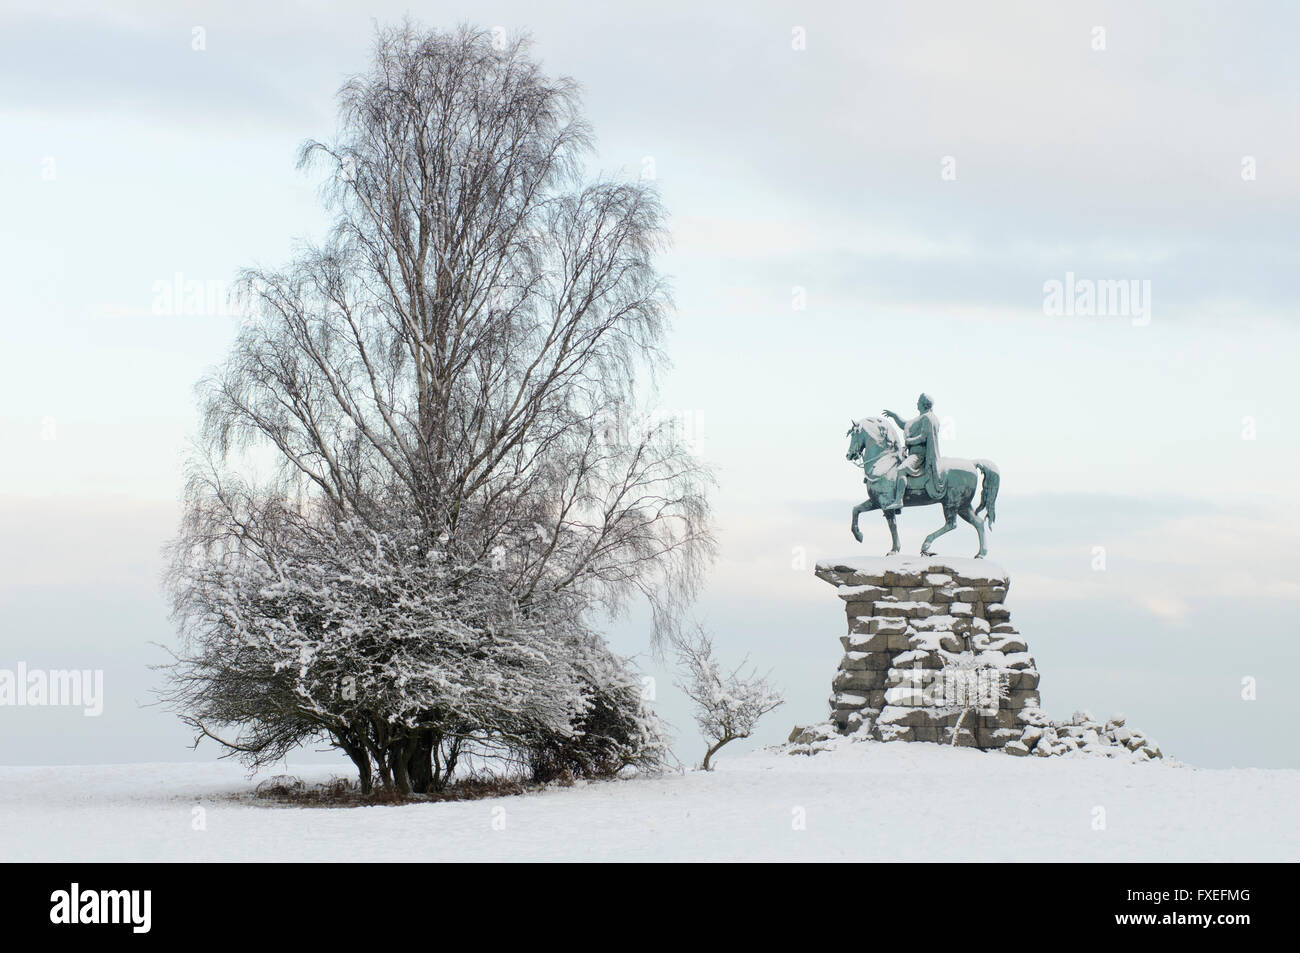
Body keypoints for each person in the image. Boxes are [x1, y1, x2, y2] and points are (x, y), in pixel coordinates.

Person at [882, 394, 945, 501]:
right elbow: (906, 424)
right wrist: (895, 416)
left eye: (918, 402)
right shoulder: (921, 417)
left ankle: (898, 501)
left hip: (919, 454)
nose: (917, 403)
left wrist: (909, 441)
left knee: (901, 469)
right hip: (913, 453)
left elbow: (923, 437)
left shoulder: (928, 418)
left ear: (924, 404)